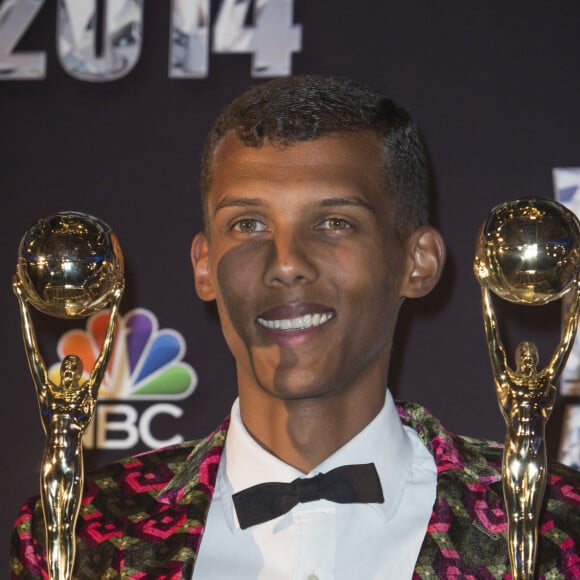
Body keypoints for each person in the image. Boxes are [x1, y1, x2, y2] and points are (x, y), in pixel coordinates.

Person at [10, 76, 580, 579]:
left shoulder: (554, 529)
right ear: (204, 266)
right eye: (249, 223)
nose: (285, 262)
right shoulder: (86, 536)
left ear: (418, 262)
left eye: (335, 223)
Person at [12, 277, 124, 580]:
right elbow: (33, 352)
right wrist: (23, 302)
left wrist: (114, 305)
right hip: (51, 462)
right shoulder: (48, 396)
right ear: (62, 372)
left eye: (76, 367)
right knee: (51, 527)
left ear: (80, 373)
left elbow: (104, 355)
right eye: (67, 367)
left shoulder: (85, 397)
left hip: (72, 461)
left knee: (66, 527)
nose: (71, 369)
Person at [479, 282, 580, 577]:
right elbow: (493, 336)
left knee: (530, 520)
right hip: (514, 454)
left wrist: (576, 296)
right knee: (517, 519)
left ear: (535, 361)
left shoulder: (544, 387)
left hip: (536, 454)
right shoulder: (507, 385)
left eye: (530, 355)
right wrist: (485, 289)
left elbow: (565, 343)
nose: (526, 357)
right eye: (522, 353)